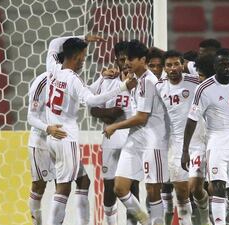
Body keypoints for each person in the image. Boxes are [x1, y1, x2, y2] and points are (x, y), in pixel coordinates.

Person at [45, 36, 136, 225]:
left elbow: (54, 43)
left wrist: (84, 39)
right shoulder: (73, 79)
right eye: (84, 56)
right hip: (65, 136)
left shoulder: (53, 67)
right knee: (63, 188)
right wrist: (121, 87)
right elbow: (91, 101)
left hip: (53, 136)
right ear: (77, 57)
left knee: (84, 181)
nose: (83, 61)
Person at [181, 48, 229, 225]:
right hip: (216, 142)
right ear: (215, 66)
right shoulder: (203, 89)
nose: (227, 68)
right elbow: (192, 120)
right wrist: (185, 150)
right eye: (223, 64)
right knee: (218, 187)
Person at [103, 40, 169, 225]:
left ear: (142, 59)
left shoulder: (149, 81)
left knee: (153, 192)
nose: (127, 63)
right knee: (120, 187)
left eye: (132, 59)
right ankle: (147, 222)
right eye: (126, 59)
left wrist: (115, 126)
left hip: (152, 142)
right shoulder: (136, 81)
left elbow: (141, 117)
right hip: (135, 141)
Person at [156, 50, 213, 225]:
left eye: (176, 64)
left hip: (197, 142)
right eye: (169, 65)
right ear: (164, 68)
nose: (173, 68)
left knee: (195, 187)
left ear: (183, 64)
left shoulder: (196, 82)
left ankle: (204, 214)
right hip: (175, 145)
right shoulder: (159, 87)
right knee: (181, 194)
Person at [89, 41, 140, 225]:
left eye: (128, 59)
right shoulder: (107, 81)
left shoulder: (142, 81)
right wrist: (108, 113)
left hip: (134, 140)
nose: (125, 63)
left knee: (133, 185)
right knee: (109, 186)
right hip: (111, 140)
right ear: (116, 61)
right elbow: (92, 107)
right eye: (121, 59)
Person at [27, 71, 67, 225]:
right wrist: (48, 128)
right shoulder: (42, 82)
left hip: (61, 140)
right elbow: (31, 117)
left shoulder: (71, 79)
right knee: (39, 186)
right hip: (41, 140)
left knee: (63, 187)